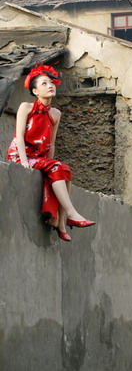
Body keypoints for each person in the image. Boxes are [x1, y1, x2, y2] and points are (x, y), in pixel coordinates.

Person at [7, 64, 95, 242]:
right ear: (35, 91)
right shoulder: (26, 107)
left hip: (39, 158)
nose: (50, 86)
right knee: (57, 167)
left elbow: (51, 144)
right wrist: (24, 161)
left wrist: (51, 167)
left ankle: (63, 221)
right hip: (20, 155)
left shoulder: (55, 113)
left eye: (51, 83)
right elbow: (19, 137)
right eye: (44, 83)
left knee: (64, 170)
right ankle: (70, 215)